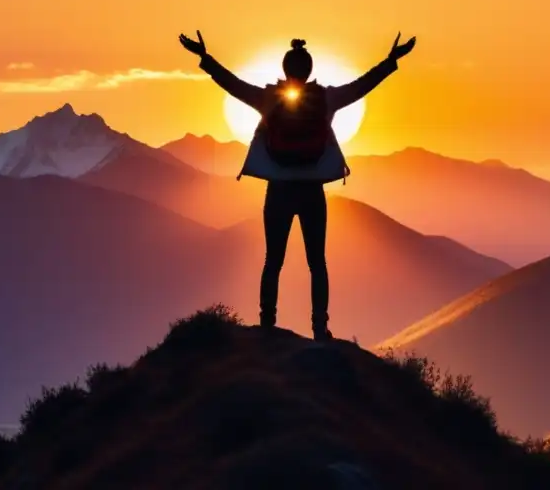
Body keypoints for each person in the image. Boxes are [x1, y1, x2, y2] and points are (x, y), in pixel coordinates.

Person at [178, 31, 416, 341]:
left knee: (272, 260)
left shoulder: (268, 99)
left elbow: (232, 85)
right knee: (317, 262)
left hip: (278, 191)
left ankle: (266, 324)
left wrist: (205, 58)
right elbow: (361, 86)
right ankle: (320, 327)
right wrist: (390, 61)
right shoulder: (326, 99)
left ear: (285, 69)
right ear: (309, 70)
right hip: (312, 192)